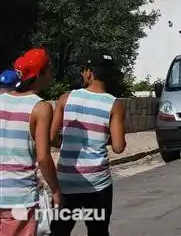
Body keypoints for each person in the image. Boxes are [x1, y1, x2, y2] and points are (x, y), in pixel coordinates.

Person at [50, 54, 126, 236]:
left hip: (67, 180)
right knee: (98, 231)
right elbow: (118, 147)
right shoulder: (114, 104)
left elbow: (51, 137)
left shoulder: (65, 99)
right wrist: (103, 138)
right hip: (97, 183)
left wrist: (65, 143)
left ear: (89, 73)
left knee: (60, 231)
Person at [0, 49, 62, 236]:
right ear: (39, 75)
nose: (52, 73)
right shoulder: (40, 108)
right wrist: (56, 191)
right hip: (19, 197)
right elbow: (43, 158)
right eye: (49, 69)